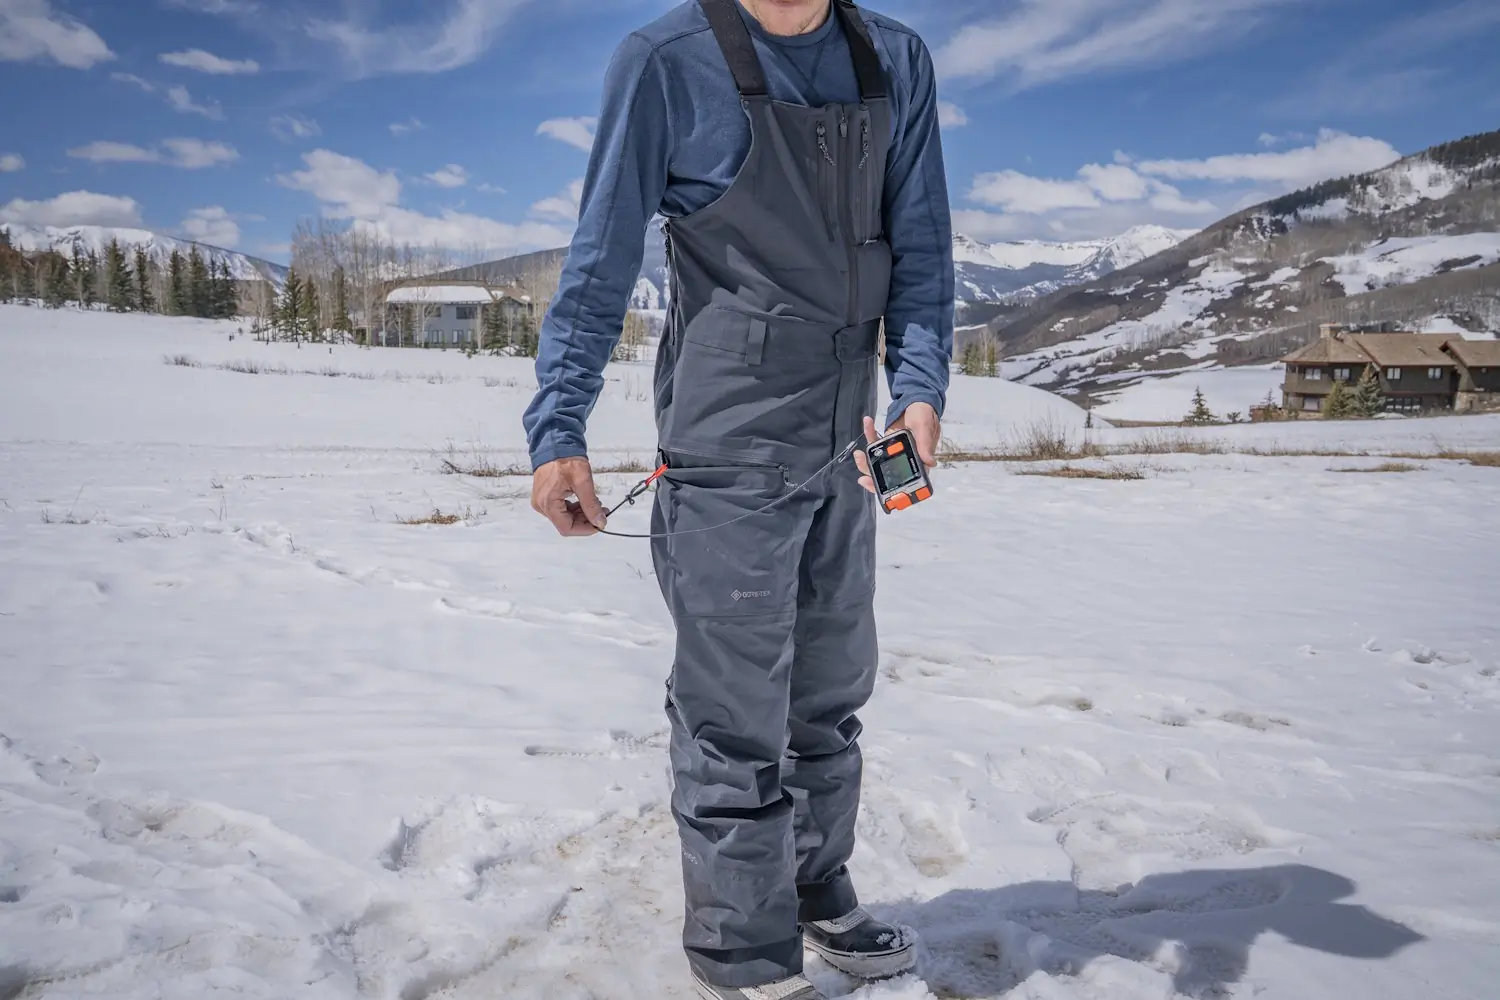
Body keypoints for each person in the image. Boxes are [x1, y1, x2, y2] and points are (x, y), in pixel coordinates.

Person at [523, 0, 953, 996]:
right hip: (728, 444)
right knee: (733, 712)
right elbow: (602, 256)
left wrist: (921, 390)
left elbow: (923, 245)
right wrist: (559, 430)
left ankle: (812, 892)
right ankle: (742, 952)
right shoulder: (665, 62)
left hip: (851, 444)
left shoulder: (892, 57)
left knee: (832, 690)